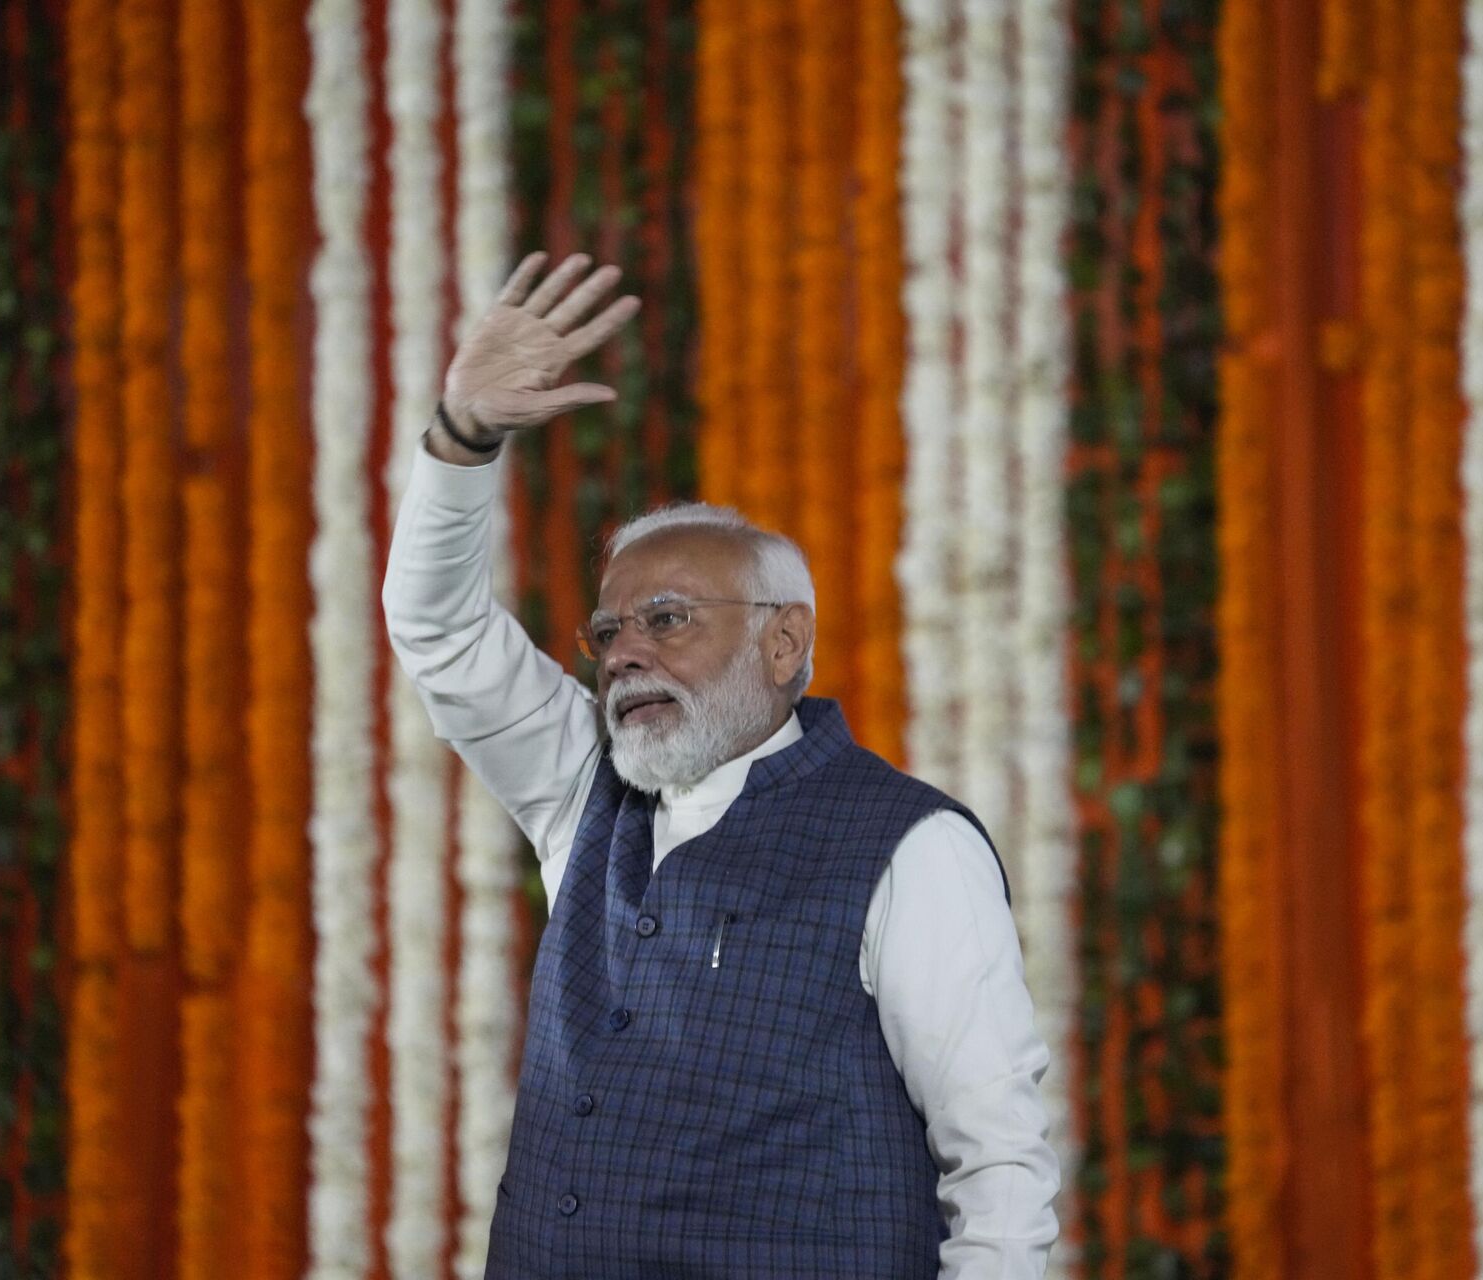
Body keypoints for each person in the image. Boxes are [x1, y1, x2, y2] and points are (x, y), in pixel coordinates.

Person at [383, 250, 1060, 1279]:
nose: (624, 653)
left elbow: (999, 1159)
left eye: (668, 619)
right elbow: (436, 629)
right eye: (608, 629)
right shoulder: (582, 794)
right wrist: (462, 437)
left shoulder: (911, 845)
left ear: (783, 643)